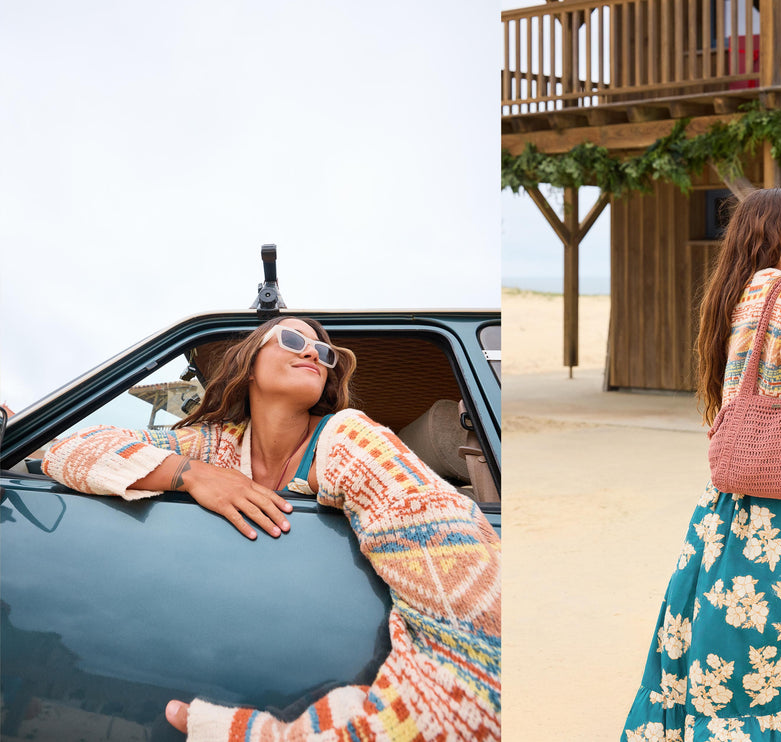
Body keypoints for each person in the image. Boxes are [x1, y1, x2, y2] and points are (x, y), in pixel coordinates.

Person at [41, 316, 502, 739]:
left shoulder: (350, 438)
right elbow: (67, 449)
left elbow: (485, 630)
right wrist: (192, 473)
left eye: (325, 353)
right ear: (249, 363)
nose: (313, 353)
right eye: (294, 339)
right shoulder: (212, 443)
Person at [620, 188, 781, 741]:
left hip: (740, 486)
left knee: (729, 598)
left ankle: (705, 714)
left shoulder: (741, 293)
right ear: (773, 232)